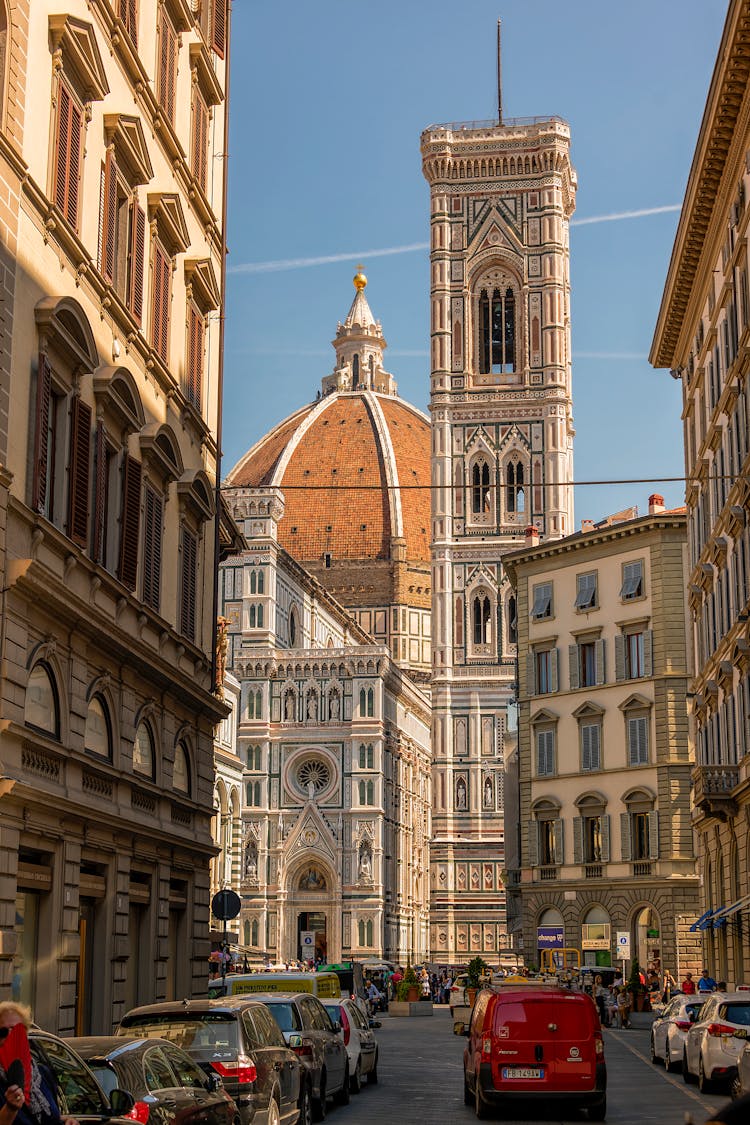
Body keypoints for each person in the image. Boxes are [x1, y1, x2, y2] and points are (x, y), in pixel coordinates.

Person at [0, 1002, 79, 1125]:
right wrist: (10, 1109)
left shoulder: (42, 1073)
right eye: (3, 1033)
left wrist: (66, 1121)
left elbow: (49, 1117)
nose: (11, 1036)